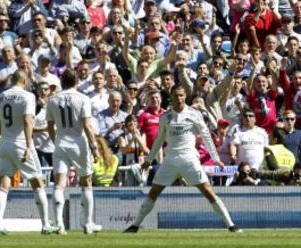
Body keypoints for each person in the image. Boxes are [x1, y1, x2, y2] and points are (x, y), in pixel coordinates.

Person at [124, 85, 242, 233]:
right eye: (176, 95)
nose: (178, 98)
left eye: (181, 95)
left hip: (190, 159)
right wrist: (149, 159)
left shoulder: (194, 114)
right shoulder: (165, 117)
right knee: (153, 192)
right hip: (170, 161)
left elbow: (206, 136)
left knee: (208, 191)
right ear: (171, 97)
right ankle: (135, 226)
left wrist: (216, 158)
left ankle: (231, 225)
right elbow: (159, 140)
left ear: (185, 96)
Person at [0, 69, 55, 235]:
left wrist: (7, 136)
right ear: (25, 80)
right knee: (37, 181)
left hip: (4, 143)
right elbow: (28, 121)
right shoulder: (28, 96)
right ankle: (45, 225)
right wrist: (28, 146)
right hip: (21, 143)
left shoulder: (1, 96)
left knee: (4, 182)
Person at [46, 68, 102, 235]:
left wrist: (55, 140)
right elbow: (87, 125)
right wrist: (94, 146)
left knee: (59, 184)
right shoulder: (83, 98)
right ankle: (87, 223)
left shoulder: (52, 99)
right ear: (77, 81)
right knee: (86, 182)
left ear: (62, 82)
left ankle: (59, 224)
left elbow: (50, 125)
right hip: (78, 142)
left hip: (61, 141)